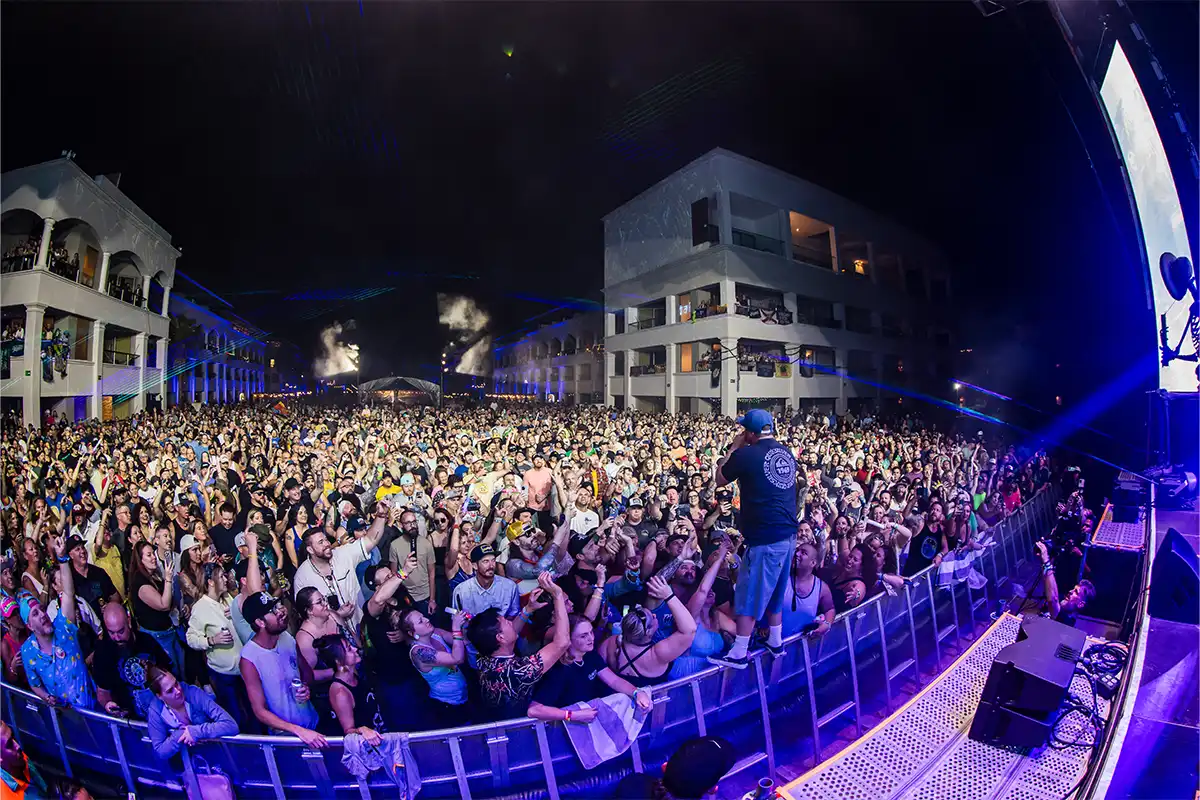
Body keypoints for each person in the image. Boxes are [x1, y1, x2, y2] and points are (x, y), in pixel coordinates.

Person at [708, 409, 798, 669]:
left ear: (749, 432)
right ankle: (775, 639)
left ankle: (739, 652)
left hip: (765, 537)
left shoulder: (746, 453)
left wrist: (733, 448)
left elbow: (720, 479)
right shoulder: (786, 452)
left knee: (748, 593)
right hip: (787, 535)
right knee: (775, 591)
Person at [468, 572, 571, 721]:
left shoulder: (484, 657)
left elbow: (511, 633)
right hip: (515, 731)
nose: (511, 622)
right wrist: (558, 596)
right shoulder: (518, 671)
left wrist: (528, 609)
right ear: (500, 638)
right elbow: (562, 643)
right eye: (507, 622)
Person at [239, 590, 325, 748]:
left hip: (312, 723)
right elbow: (259, 710)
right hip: (287, 738)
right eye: (273, 611)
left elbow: (307, 673)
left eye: (278, 606)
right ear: (260, 622)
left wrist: (306, 686)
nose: (280, 612)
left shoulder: (287, 638)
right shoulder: (249, 659)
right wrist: (297, 731)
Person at [528, 614, 653, 723]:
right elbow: (534, 710)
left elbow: (613, 680)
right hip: (564, 728)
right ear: (568, 640)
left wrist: (637, 692)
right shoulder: (559, 670)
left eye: (591, 632)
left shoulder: (590, 655)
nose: (591, 638)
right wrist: (571, 715)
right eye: (583, 636)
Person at [21, 535, 95, 709]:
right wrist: (45, 696)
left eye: (41, 609)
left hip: (91, 707)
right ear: (29, 626)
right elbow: (34, 684)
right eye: (35, 614)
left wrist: (62, 559)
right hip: (67, 720)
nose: (42, 615)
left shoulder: (63, 626)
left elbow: (68, 594)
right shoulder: (27, 651)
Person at [293, 498, 390, 631]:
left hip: (362, 625)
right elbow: (307, 616)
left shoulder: (343, 554)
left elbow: (370, 540)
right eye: (320, 542)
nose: (327, 544)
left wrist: (381, 515)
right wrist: (337, 615)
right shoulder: (302, 576)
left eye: (326, 540)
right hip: (334, 636)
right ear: (310, 550)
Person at [92, 603, 172, 719]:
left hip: (160, 712)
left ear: (128, 621)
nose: (117, 638)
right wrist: (108, 704)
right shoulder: (103, 652)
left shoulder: (147, 641)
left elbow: (168, 672)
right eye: (111, 632)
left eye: (120, 631)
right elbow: (102, 691)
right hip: (129, 720)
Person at [145, 666, 238, 760]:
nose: (178, 691)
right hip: (187, 763)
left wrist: (196, 732)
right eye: (170, 691)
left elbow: (231, 725)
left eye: (176, 683)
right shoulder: (155, 710)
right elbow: (160, 751)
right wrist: (180, 735)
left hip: (217, 755)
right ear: (159, 696)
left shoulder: (194, 693)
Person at [399, 608, 469, 725]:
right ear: (412, 633)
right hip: (446, 705)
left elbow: (463, 641)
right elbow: (457, 658)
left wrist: (465, 624)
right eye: (420, 621)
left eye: (424, 616)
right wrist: (456, 628)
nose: (427, 619)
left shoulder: (436, 633)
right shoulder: (419, 652)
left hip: (462, 697)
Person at [314, 634, 386, 744]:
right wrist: (362, 730)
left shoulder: (352, 674)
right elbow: (348, 731)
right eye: (349, 649)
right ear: (338, 661)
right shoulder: (340, 693)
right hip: (366, 747)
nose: (355, 649)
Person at [129, 540, 183, 676]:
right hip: (157, 636)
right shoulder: (140, 581)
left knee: (182, 668)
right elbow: (163, 604)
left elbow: (169, 602)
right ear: (140, 560)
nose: (153, 557)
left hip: (168, 630)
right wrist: (169, 579)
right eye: (148, 555)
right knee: (172, 673)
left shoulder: (154, 574)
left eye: (153, 553)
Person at [1035, 541, 1095, 627]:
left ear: (1080, 604)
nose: (1070, 591)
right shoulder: (1063, 601)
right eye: (1073, 589)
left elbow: (1053, 599)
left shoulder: (1067, 621)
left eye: (1076, 592)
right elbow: (1051, 589)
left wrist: (1046, 560)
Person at [1, 720, 51, 800]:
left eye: (13, 736)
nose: (18, 746)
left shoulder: (18, 757)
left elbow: (43, 787)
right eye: (9, 744)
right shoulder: (5, 796)